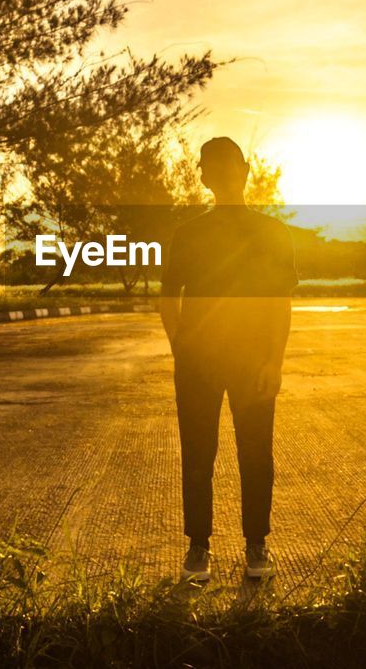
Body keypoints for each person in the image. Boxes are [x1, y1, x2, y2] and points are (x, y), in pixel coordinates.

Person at [159, 137, 296, 582]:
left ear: (244, 170)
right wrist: (182, 346)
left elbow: (279, 303)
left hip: (252, 359)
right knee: (199, 454)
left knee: (255, 453)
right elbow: (167, 298)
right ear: (203, 177)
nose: (215, 173)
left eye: (223, 165)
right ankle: (199, 547)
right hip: (198, 362)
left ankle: (256, 544)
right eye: (208, 167)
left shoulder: (272, 232)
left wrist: (273, 361)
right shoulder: (188, 233)